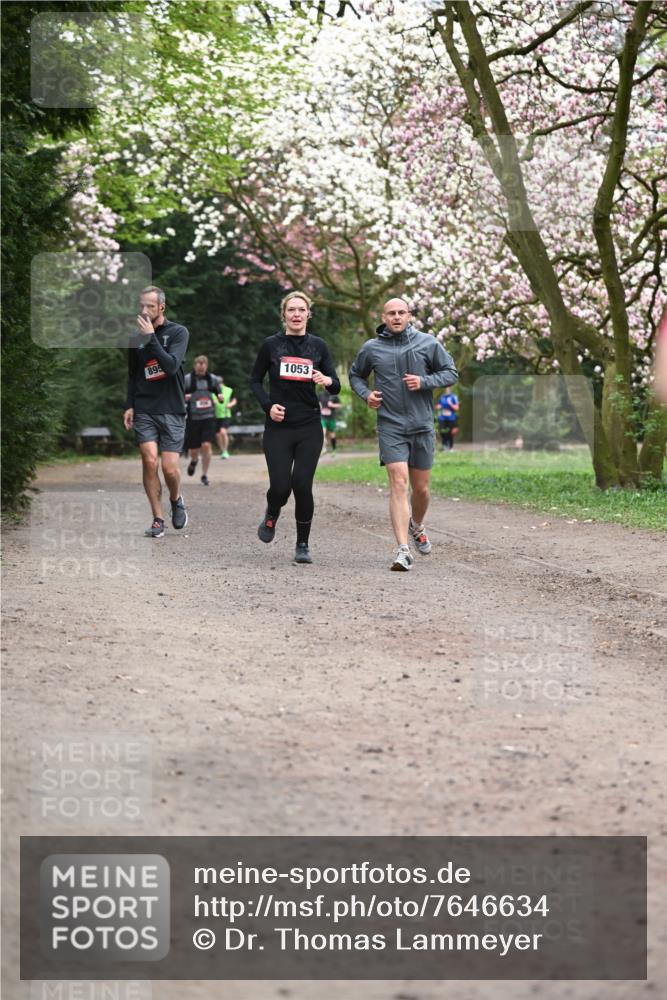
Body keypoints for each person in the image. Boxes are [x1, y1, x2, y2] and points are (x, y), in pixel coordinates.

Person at [349, 297, 457, 571]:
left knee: (420, 489)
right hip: (390, 425)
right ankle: (402, 550)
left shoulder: (428, 343)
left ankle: (417, 525)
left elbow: (451, 373)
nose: (396, 317)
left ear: (409, 316)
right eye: (391, 313)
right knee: (399, 483)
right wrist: (366, 395)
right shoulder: (371, 348)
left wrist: (424, 382)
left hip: (422, 425)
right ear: (383, 317)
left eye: (401, 312)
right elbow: (356, 376)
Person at [250, 291, 341, 564]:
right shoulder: (271, 345)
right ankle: (272, 512)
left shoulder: (318, 346)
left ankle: (303, 544)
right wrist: (268, 406)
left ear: (308, 314)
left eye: (301, 309)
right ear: (284, 314)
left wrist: (326, 379)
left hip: (309, 425)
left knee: (302, 484)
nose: (297, 314)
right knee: (280, 486)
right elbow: (255, 380)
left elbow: (335, 384)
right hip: (279, 425)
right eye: (292, 310)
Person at [123, 285, 189, 537]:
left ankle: (176, 498)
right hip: (144, 408)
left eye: (150, 306)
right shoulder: (134, 338)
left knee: (169, 468)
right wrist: (129, 405)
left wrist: (151, 337)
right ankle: (158, 519)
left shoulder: (178, 333)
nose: (144, 310)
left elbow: (171, 367)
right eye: (142, 305)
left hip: (171, 408)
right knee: (149, 461)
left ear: (161, 307)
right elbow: (133, 375)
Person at [184, 356, 224, 486]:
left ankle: (204, 474)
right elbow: (179, 396)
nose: (201, 366)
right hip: (193, 418)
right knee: (194, 450)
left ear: (206, 365)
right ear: (195, 365)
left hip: (208, 417)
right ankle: (194, 460)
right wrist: (185, 397)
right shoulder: (188, 379)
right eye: (199, 364)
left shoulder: (212, 379)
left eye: (203, 364)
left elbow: (219, 393)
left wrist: (220, 397)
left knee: (206, 445)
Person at [214, 380, 237, 459]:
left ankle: (226, 451)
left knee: (223, 432)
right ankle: (223, 451)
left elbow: (234, 399)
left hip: (226, 415)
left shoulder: (229, 390)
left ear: (222, 383)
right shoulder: (212, 391)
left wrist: (231, 404)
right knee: (217, 435)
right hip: (215, 416)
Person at [319, 387, 342, 455]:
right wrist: (319, 406)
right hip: (322, 417)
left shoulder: (334, 395)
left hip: (331, 418)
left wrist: (333, 405)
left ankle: (334, 449)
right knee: (322, 433)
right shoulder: (320, 395)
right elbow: (317, 403)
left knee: (332, 435)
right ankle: (324, 449)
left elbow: (340, 405)